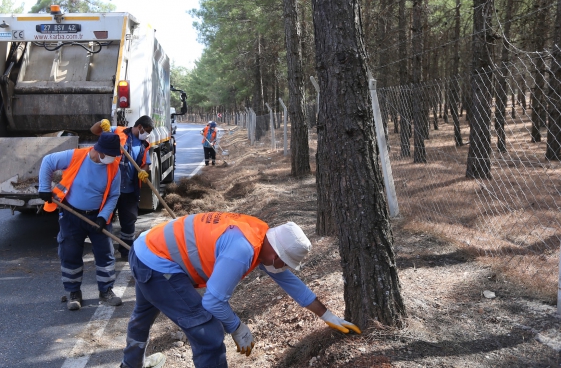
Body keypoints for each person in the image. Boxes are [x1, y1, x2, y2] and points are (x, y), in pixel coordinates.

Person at [119, 212, 360, 368]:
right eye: (285, 263)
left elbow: (289, 281)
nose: (284, 268)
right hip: (157, 264)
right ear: (276, 255)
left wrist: (327, 315)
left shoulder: (259, 236)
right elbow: (212, 302)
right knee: (210, 333)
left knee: (143, 316)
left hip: (146, 248)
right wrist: (237, 327)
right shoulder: (243, 251)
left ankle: (130, 365)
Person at [38, 133, 124, 311]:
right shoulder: (75, 156)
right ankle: (73, 293)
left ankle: (106, 291)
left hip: (97, 217)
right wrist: (44, 188)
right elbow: (47, 161)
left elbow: (114, 195)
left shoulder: (114, 167)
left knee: (105, 254)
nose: (112, 158)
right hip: (71, 215)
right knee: (70, 253)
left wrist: (103, 216)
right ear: (99, 151)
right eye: (110, 155)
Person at [91, 116, 154, 261]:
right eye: (147, 130)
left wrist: (143, 171)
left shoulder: (144, 144)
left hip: (129, 190)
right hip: (110, 188)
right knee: (104, 220)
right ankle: (103, 251)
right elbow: (94, 130)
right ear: (140, 127)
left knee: (129, 221)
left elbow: (146, 163)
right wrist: (101, 123)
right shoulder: (116, 131)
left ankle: (126, 251)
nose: (147, 134)